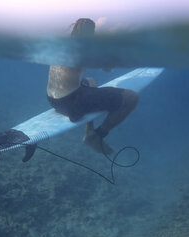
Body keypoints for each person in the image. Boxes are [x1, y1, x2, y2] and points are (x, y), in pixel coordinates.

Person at [47, 18, 139, 154]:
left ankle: (88, 129)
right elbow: (108, 67)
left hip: (53, 101)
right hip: (72, 104)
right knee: (132, 98)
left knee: (90, 81)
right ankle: (97, 136)